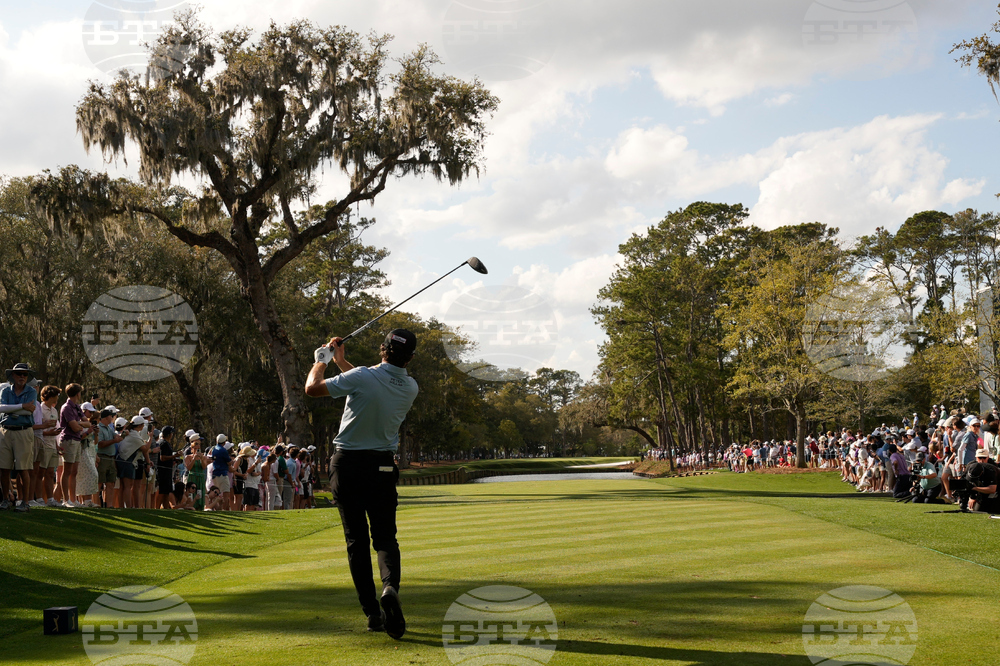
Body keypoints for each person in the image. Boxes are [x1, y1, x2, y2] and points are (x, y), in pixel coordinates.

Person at [305, 329, 420, 639]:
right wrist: (343, 363)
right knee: (385, 538)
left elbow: (313, 389)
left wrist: (322, 360)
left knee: (356, 540)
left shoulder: (364, 376)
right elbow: (368, 384)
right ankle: (390, 588)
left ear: (381, 349)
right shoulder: (410, 386)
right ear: (409, 358)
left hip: (347, 466)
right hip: (382, 467)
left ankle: (372, 613)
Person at [0, 363, 40, 511]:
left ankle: (25, 502)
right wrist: (22, 406)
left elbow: (29, 412)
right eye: (19, 374)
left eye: (25, 374)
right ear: (13, 375)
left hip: (23, 431)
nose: (22, 376)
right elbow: (0, 408)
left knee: (24, 469)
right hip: (5, 431)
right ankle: (5, 499)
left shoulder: (31, 391)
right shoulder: (5, 391)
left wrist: (11, 410)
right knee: (4, 468)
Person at [58, 384, 93, 507]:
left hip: (77, 440)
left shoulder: (77, 407)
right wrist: (80, 424)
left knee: (74, 471)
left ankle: (73, 500)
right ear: (77, 394)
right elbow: (74, 427)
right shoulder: (66, 407)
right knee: (67, 471)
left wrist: (80, 424)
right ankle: (65, 500)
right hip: (68, 440)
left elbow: (87, 424)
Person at [30, 385, 62, 507]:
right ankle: (39, 498)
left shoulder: (54, 410)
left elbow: (53, 429)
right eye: (56, 395)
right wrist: (49, 433)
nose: (57, 398)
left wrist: (56, 445)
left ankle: (50, 499)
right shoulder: (40, 409)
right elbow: (37, 430)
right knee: (40, 473)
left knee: (50, 473)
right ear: (49, 396)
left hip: (52, 445)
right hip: (42, 444)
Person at [209, 434, 234, 510]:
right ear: (224, 442)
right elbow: (229, 462)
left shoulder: (214, 449)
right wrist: (232, 461)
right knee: (226, 494)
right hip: (222, 474)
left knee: (217, 494)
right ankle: (223, 510)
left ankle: (217, 509)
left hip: (215, 474)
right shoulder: (223, 450)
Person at [154, 427, 177, 509]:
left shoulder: (162, 442)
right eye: (171, 433)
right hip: (163, 471)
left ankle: (166, 508)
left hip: (166, 470)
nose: (172, 435)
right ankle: (157, 507)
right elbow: (162, 458)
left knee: (167, 491)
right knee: (162, 491)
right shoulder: (164, 443)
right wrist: (175, 456)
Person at [184, 434, 208, 511]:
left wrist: (201, 459)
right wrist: (194, 458)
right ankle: (191, 507)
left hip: (200, 477)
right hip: (192, 477)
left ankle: (200, 508)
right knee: (192, 494)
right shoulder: (188, 457)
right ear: (192, 448)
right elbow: (188, 468)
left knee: (200, 493)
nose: (197, 450)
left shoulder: (203, 457)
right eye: (195, 449)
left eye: (198, 449)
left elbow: (204, 467)